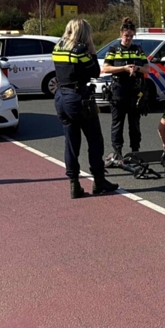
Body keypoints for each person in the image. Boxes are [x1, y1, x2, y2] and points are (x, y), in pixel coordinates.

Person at [53, 18, 119, 199]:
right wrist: (91, 51)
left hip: (60, 97)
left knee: (71, 143)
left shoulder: (58, 48)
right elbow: (94, 72)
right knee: (95, 140)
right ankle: (99, 180)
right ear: (84, 33)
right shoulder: (80, 50)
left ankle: (74, 184)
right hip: (78, 98)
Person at [102, 18, 148, 160]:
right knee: (118, 123)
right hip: (118, 90)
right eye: (126, 35)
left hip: (134, 91)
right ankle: (117, 151)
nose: (128, 38)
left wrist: (137, 68)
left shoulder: (138, 49)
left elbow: (148, 68)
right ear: (121, 34)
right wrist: (123, 68)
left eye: (131, 36)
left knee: (134, 123)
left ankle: (135, 150)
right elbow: (106, 68)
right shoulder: (113, 50)